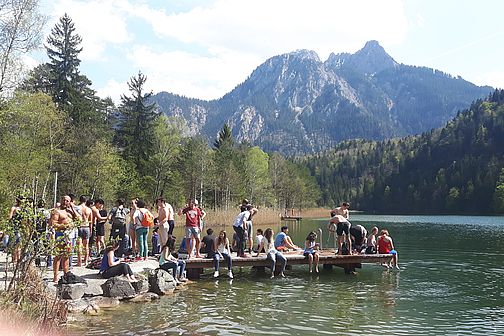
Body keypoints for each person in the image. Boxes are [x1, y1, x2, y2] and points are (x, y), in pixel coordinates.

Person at [49, 195, 82, 282]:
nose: (65, 202)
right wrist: (64, 226)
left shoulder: (70, 212)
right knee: (58, 256)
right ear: (61, 200)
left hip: (69, 236)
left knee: (67, 256)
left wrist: (73, 209)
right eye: (64, 200)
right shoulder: (57, 211)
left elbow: (80, 220)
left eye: (67, 201)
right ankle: (55, 276)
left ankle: (66, 274)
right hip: (60, 235)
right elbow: (53, 224)